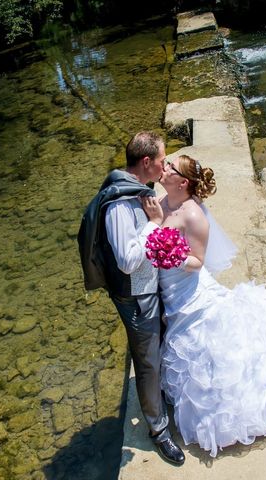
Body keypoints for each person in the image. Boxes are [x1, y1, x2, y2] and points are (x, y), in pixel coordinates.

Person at [141, 155, 266, 458]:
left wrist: (169, 253)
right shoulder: (163, 200)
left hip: (188, 293)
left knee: (213, 352)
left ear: (183, 182)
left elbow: (197, 262)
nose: (162, 168)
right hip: (169, 291)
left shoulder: (194, 216)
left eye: (170, 167)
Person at [77, 131, 185, 465]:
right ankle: (158, 431)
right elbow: (125, 260)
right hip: (136, 296)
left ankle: (160, 400)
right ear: (147, 162)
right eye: (163, 160)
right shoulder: (120, 205)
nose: (166, 165)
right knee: (147, 362)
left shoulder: (136, 188)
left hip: (149, 287)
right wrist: (153, 224)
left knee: (158, 348)